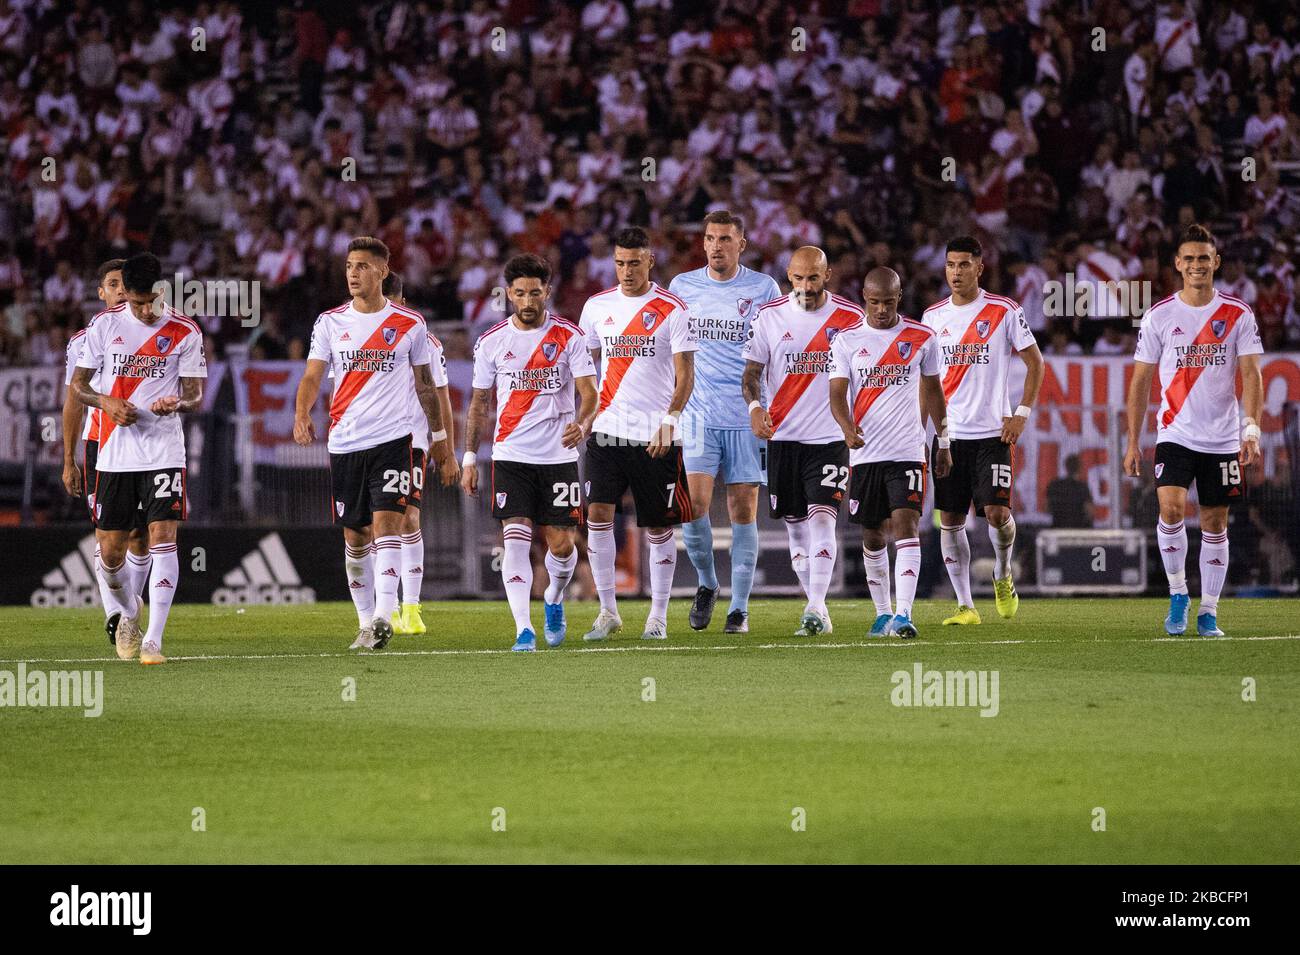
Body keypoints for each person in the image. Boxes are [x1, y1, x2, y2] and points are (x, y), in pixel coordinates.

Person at [293, 237, 452, 651]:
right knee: (356, 536)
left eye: (362, 266)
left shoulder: (409, 324)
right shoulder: (329, 322)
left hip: (394, 440)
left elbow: (426, 386)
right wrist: (301, 413)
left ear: (383, 271)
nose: (353, 273)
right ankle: (365, 622)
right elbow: (313, 376)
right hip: (346, 441)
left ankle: (384, 616)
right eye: (349, 265)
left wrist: (438, 439)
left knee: (389, 524)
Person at [1124, 223, 1264, 637]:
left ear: (1216, 262)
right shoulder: (1160, 315)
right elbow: (1140, 382)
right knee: (1169, 509)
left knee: (1215, 522)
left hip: (1222, 438)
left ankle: (1209, 611)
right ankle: (1179, 593)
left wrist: (1250, 430)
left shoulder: (1238, 313)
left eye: (1205, 257)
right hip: (1174, 433)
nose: (1198, 265)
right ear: (1178, 264)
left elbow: (1252, 375)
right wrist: (1133, 441)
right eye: (1190, 258)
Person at [69, 252, 208, 665]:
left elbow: (197, 393)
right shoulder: (103, 326)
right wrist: (106, 401)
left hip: (164, 449)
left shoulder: (184, 330)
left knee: (162, 536)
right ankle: (129, 612)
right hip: (114, 453)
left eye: (151, 301)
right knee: (111, 553)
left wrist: (178, 402)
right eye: (138, 302)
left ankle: (154, 640)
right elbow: (78, 387)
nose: (146, 310)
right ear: (124, 294)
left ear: (161, 291)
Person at [461, 253, 597, 651]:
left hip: (557, 456)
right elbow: (479, 404)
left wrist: (583, 423)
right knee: (515, 540)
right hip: (511, 454)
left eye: (534, 293)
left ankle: (554, 598)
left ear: (547, 293)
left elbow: (590, 394)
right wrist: (470, 458)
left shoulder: (569, 337)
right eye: (519, 293)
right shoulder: (491, 342)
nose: (526, 300)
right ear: (508, 295)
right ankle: (524, 628)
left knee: (561, 545)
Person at [579, 226, 696, 642]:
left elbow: (686, 375)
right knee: (597, 514)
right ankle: (608, 611)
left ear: (650, 261)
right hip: (607, 431)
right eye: (620, 263)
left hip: (655, 435)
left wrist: (670, 421)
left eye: (634, 262)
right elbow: (586, 369)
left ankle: (657, 617)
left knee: (658, 525)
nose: (626, 271)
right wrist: (584, 415)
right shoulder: (595, 307)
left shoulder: (673, 309)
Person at [741, 246, 864, 637]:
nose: (806, 286)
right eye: (798, 278)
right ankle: (818, 607)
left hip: (829, 438)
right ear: (788, 277)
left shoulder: (851, 318)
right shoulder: (769, 316)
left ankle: (813, 606)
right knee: (794, 527)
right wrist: (755, 407)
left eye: (813, 278)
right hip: (783, 438)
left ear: (827, 276)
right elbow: (751, 374)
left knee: (823, 517)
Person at [668, 210, 781, 634]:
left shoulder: (763, 288)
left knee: (742, 509)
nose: (717, 245)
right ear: (703, 243)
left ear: (742, 244)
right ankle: (707, 583)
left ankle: (739, 608)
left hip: (744, 413)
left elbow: (772, 348)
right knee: (693, 506)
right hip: (697, 413)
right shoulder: (682, 287)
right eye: (711, 238)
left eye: (726, 239)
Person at [922, 235, 1044, 626]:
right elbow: (927, 383)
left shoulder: (1004, 310)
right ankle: (965, 605)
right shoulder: (932, 317)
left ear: (979, 267)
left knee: (996, 512)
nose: (955, 272)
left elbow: (1035, 362)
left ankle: (1003, 573)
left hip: (993, 433)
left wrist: (1021, 412)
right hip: (949, 438)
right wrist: (921, 431)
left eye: (963, 265)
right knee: (951, 519)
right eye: (950, 265)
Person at [829, 267, 951, 639]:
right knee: (872, 535)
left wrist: (942, 442)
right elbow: (836, 394)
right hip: (866, 454)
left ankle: (904, 614)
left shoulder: (922, 337)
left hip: (908, 452)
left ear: (899, 297)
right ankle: (882, 613)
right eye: (874, 302)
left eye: (888, 301)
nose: (881, 309)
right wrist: (847, 428)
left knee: (907, 525)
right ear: (864, 298)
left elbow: (934, 393)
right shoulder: (846, 341)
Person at [61, 258, 153, 645]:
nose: (118, 289)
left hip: (146, 444)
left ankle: (125, 610)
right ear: (101, 293)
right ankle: (119, 611)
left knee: (143, 535)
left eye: (123, 283)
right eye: (112, 284)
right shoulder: (85, 340)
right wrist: (68, 459)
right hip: (101, 446)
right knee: (109, 540)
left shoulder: (153, 331)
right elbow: (73, 400)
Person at [383, 271, 458, 637]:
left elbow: (441, 395)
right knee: (371, 526)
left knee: (408, 518)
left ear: (402, 301)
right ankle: (385, 607)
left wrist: (447, 447)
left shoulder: (424, 341)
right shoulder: (353, 334)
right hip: (366, 441)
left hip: (411, 440)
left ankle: (410, 607)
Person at [1046, 454, 1095, 528]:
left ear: (1066, 467)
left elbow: (1047, 508)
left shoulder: (1054, 485)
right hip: (1077, 531)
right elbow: (1089, 512)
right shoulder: (1082, 487)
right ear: (1080, 468)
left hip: (1058, 529)